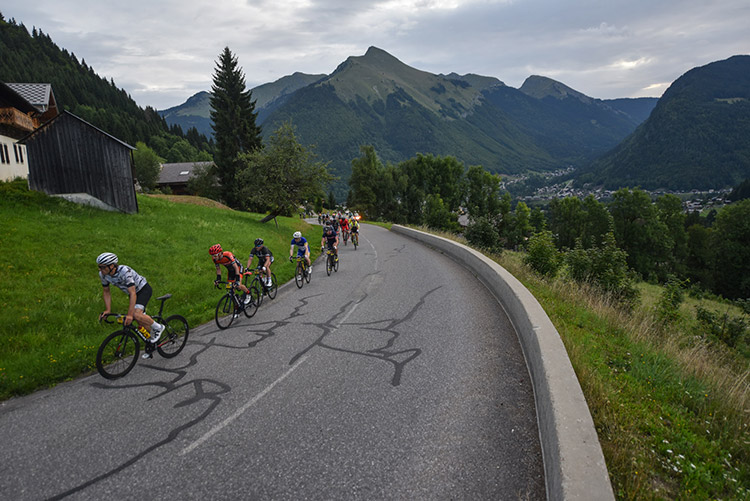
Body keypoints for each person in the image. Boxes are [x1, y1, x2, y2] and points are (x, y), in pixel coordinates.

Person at [96, 252, 164, 359]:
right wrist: (108, 310)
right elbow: (106, 291)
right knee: (140, 320)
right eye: (99, 267)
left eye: (102, 267)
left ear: (112, 266)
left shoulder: (124, 271)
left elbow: (133, 293)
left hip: (142, 290)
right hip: (132, 293)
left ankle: (158, 328)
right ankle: (152, 342)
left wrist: (130, 315)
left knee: (136, 315)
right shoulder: (103, 275)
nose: (100, 269)